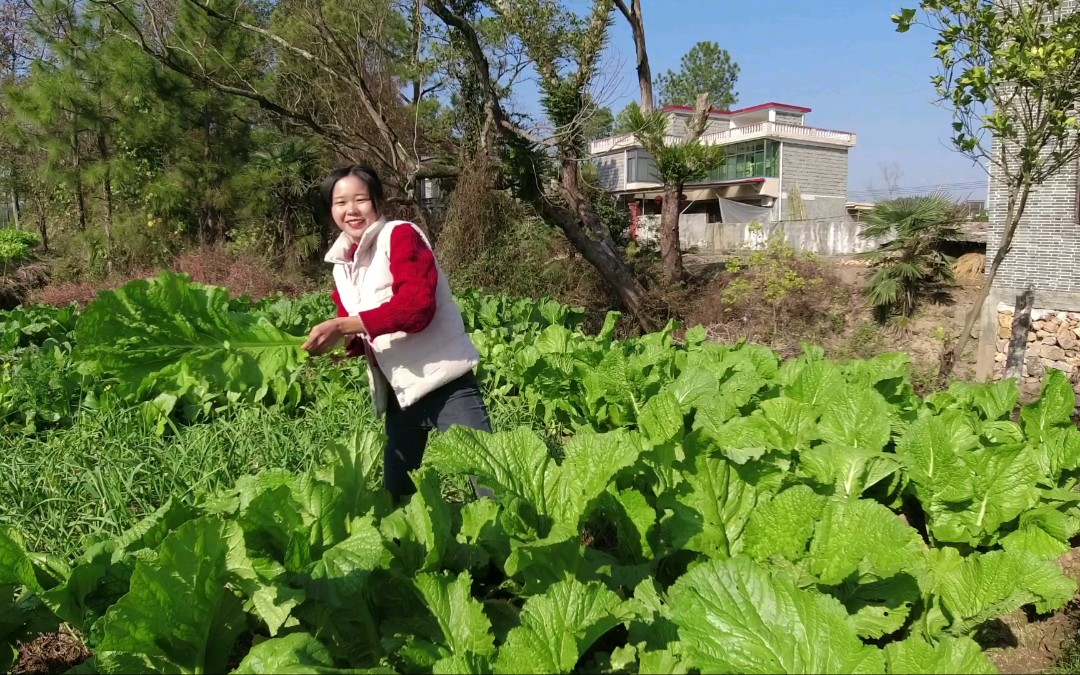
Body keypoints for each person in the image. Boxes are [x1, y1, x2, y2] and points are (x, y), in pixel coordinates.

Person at [302, 164, 492, 501]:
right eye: (340, 202)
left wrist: (345, 326)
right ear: (330, 209)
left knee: (489, 481)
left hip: (445, 384)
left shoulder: (401, 236)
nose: (351, 210)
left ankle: (515, 548)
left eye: (360, 199)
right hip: (399, 393)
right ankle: (411, 551)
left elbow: (417, 306)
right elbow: (362, 333)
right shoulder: (342, 266)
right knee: (397, 494)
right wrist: (337, 342)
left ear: (376, 200)